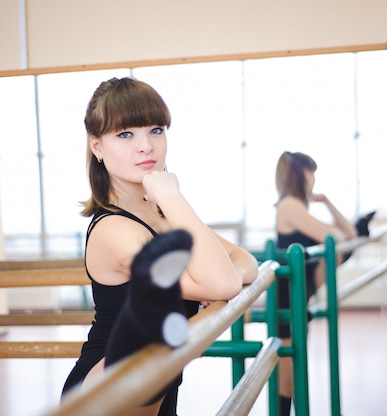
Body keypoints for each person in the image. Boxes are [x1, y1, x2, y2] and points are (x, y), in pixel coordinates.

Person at [61, 77, 259, 416]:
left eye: (155, 130)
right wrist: (170, 194)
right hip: (115, 385)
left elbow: (245, 262)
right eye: (125, 134)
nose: (146, 146)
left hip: (158, 379)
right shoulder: (116, 230)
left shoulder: (161, 215)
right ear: (97, 146)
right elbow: (225, 283)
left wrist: (218, 276)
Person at [274, 151, 375, 415]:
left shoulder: (296, 206)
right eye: (311, 173)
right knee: (287, 380)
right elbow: (339, 237)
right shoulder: (290, 206)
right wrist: (334, 223)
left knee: (293, 376)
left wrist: (327, 202)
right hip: (288, 297)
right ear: (301, 175)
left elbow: (349, 237)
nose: (314, 180)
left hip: (300, 291)